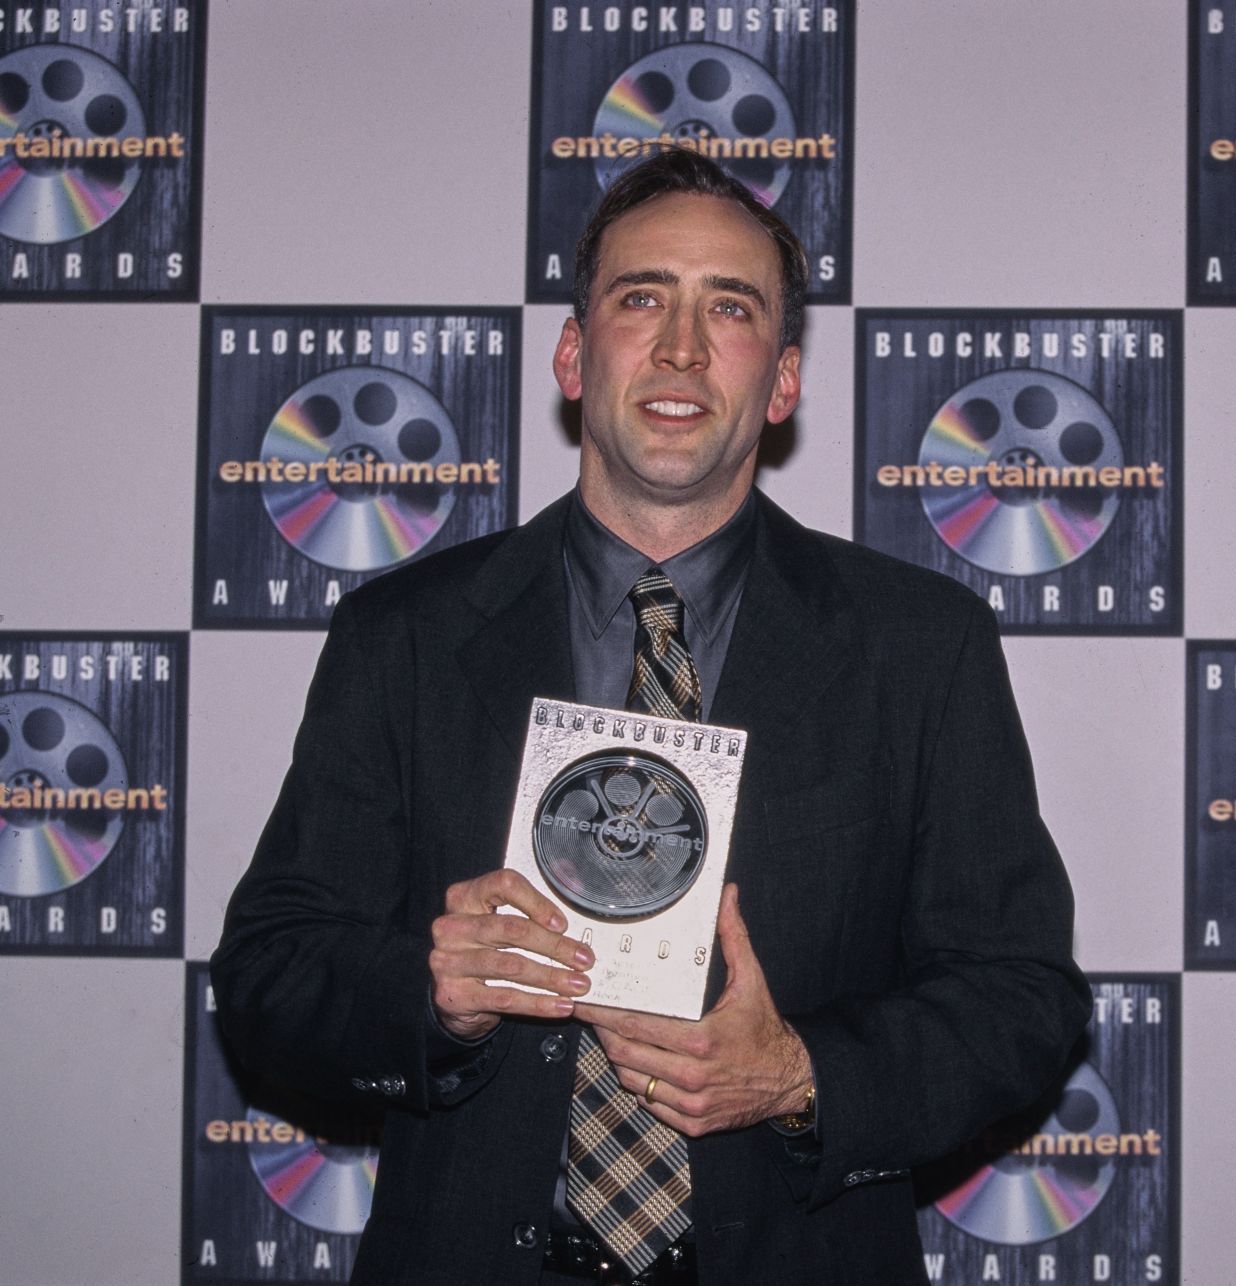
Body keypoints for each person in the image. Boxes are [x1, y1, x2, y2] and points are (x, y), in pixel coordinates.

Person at [210, 149, 1091, 1286]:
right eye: (642, 299)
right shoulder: (406, 633)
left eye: (729, 308)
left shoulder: (921, 645)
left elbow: (1022, 995)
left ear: (781, 381)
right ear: (575, 355)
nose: (681, 347)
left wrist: (799, 1072)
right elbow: (272, 970)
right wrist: (430, 995)